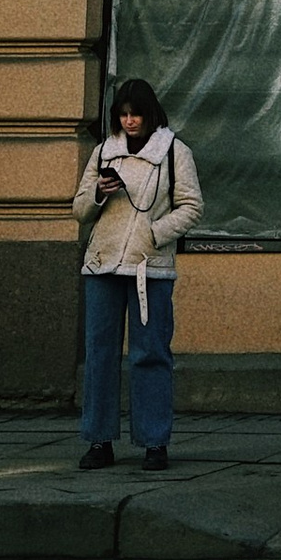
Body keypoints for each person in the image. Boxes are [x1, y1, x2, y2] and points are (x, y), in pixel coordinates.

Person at [71, 76, 202, 472]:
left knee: (151, 354)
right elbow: (79, 210)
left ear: (150, 114)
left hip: (151, 269)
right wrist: (99, 193)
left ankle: (154, 441)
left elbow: (192, 207)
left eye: (136, 114)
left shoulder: (174, 152)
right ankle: (99, 440)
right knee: (99, 354)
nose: (129, 121)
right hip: (102, 264)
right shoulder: (103, 153)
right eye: (123, 114)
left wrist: (155, 233)